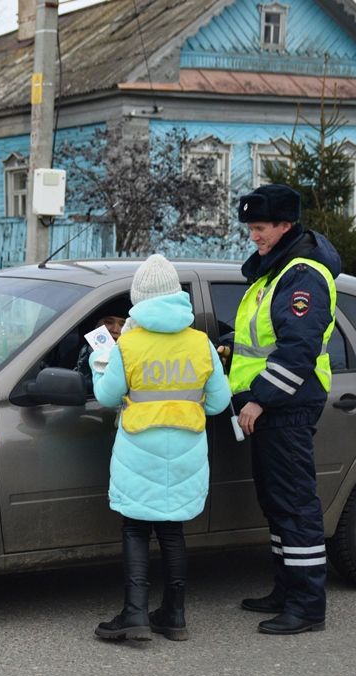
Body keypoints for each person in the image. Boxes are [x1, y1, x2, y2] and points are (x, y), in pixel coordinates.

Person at [89, 254, 231, 642]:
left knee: (135, 528)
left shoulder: (128, 345)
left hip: (139, 452)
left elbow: (105, 396)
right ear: (176, 296)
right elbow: (218, 403)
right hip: (186, 452)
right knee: (172, 531)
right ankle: (174, 615)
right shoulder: (201, 344)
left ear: (139, 298)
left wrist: (97, 360)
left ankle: (134, 614)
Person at [221, 183, 341, 636]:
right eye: (250, 228)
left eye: (260, 227)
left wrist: (258, 399)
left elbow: (298, 350)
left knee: (296, 506)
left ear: (285, 225)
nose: (253, 236)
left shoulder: (302, 276)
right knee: (277, 503)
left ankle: (308, 606)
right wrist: (229, 346)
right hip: (273, 406)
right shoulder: (275, 272)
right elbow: (261, 337)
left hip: (286, 405)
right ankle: (286, 589)